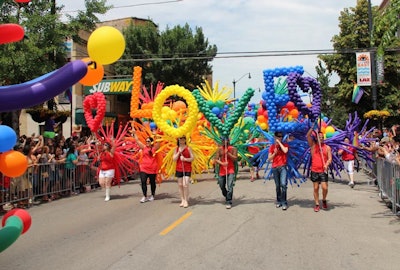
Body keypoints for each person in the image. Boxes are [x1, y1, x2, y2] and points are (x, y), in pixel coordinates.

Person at [307, 127, 332, 212]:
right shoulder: (313, 146)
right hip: (314, 170)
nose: (321, 139)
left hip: (323, 170)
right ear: (317, 138)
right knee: (316, 188)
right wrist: (312, 127)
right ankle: (317, 204)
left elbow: (330, 158)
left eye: (322, 137)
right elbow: (308, 136)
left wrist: (327, 164)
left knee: (325, 188)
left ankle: (324, 200)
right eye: (319, 137)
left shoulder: (327, 147)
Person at [133, 132, 160, 203]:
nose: (147, 142)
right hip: (143, 168)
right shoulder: (144, 147)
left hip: (152, 168)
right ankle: (144, 196)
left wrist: (157, 134)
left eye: (148, 141)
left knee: (152, 182)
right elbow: (137, 140)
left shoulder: (154, 148)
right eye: (146, 141)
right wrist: (134, 133)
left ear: (151, 142)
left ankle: (152, 195)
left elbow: (159, 142)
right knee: (143, 181)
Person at [214, 137, 238, 209]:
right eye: (223, 140)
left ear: (228, 140)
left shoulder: (233, 148)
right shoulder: (219, 149)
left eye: (226, 140)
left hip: (230, 170)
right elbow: (216, 159)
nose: (225, 141)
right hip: (222, 170)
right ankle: (227, 195)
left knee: (230, 185)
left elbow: (235, 158)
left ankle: (228, 201)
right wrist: (222, 163)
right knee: (221, 185)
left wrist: (228, 153)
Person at [268, 131, 289, 210]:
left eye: (280, 137)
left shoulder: (285, 145)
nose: (279, 138)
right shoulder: (272, 147)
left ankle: (284, 202)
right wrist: (274, 153)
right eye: (278, 136)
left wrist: (279, 143)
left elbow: (285, 151)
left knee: (283, 184)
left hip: (283, 167)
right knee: (277, 186)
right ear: (275, 137)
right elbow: (269, 158)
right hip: (275, 168)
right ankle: (279, 201)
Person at [173, 136, 194, 208]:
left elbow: (192, 158)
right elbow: (174, 159)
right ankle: (182, 199)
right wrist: (179, 153)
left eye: (183, 139)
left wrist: (185, 159)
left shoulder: (188, 148)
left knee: (185, 184)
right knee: (180, 184)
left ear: (185, 140)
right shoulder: (176, 149)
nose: (181, 140)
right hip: (179, 168)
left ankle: (186, 200)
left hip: (187, 168)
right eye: (180, 139)